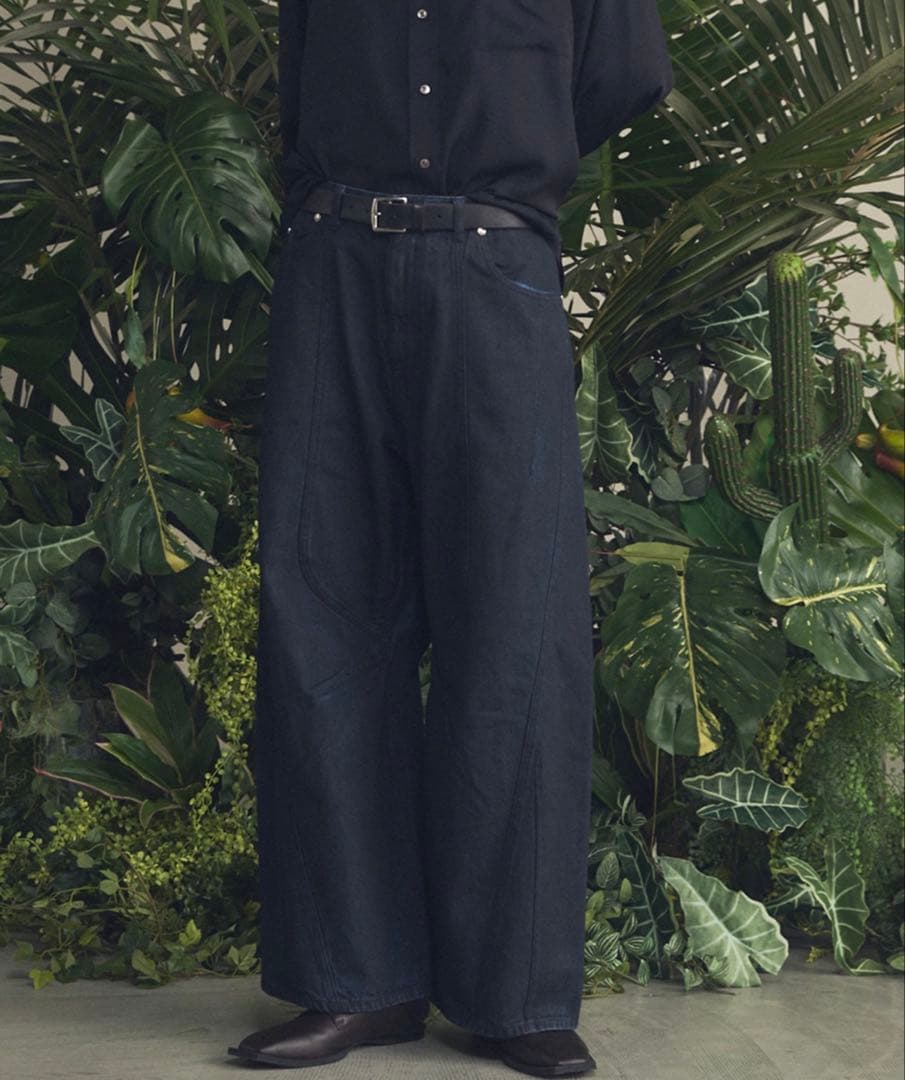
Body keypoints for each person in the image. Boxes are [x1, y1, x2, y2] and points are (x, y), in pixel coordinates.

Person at [228, 2, 673, 1076]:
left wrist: (506, 142)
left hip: (495, 268)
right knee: (325, 610)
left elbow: (622, 75)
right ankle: (355, 983)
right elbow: (301, 77)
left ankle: (512, 996)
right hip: (334, 265)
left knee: (515, 625)